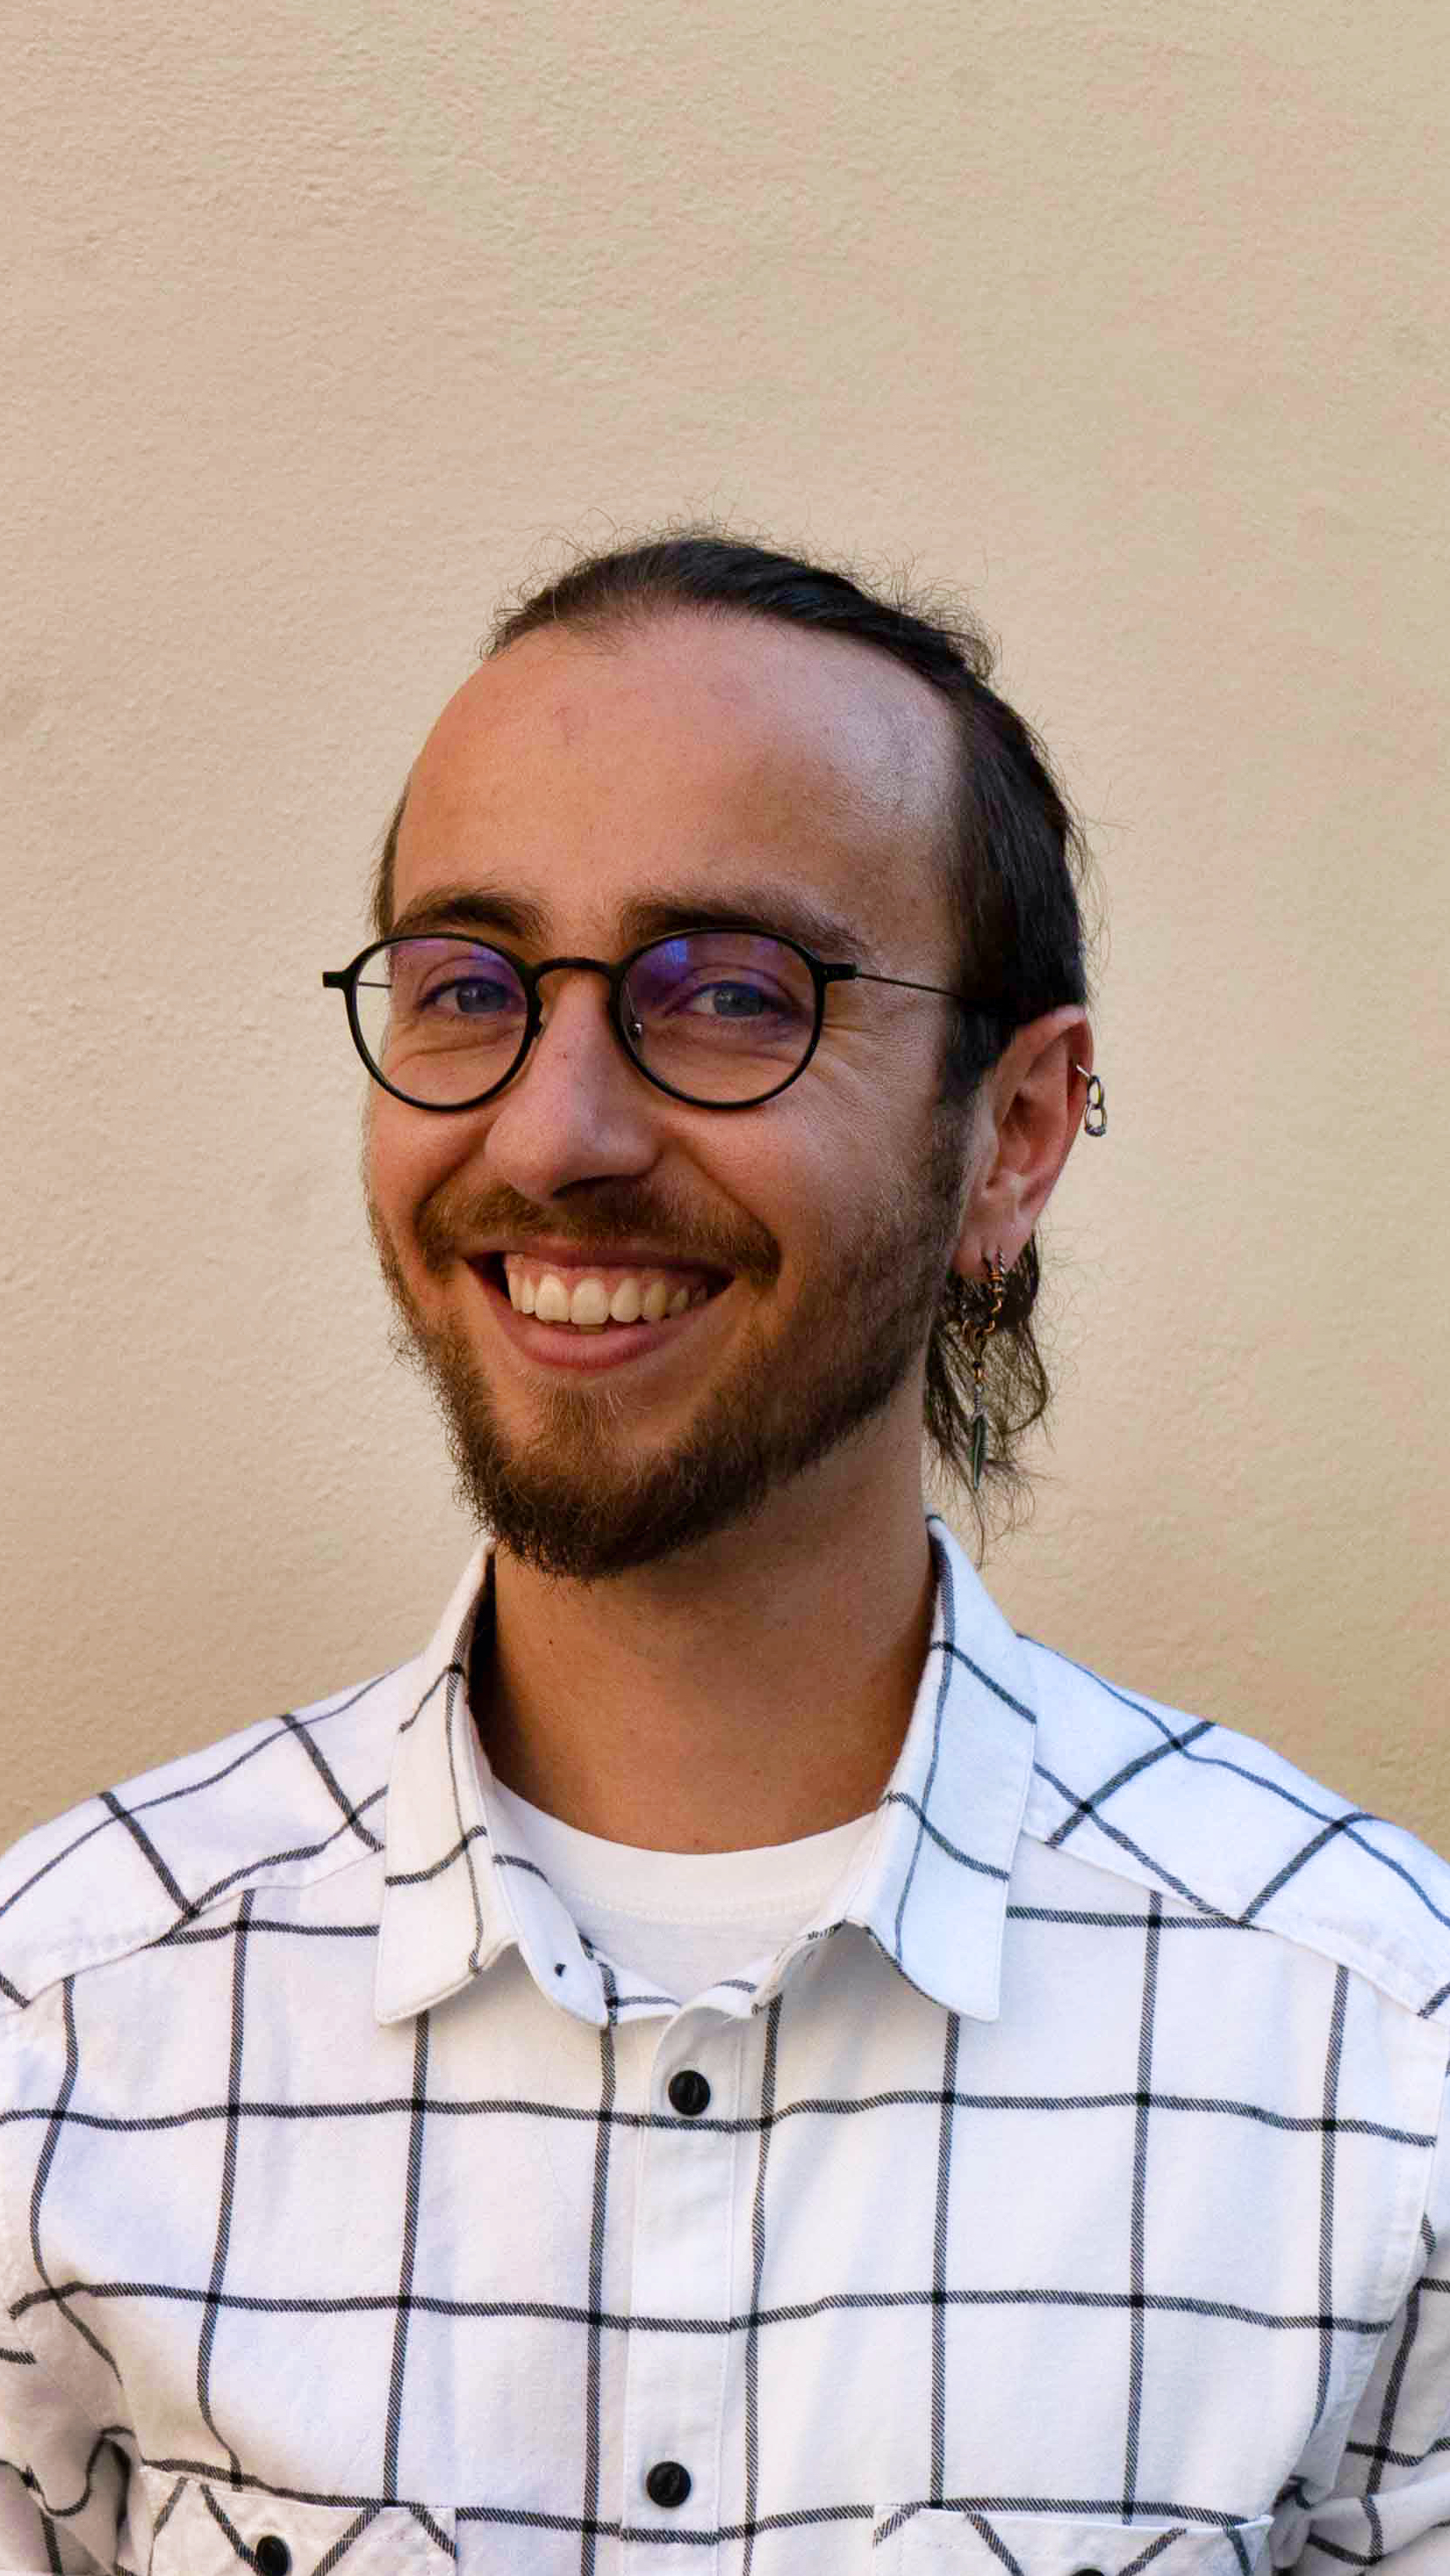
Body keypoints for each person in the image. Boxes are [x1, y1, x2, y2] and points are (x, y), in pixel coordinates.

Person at [2, 532, 1446, 2576]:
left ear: (1015, 1134)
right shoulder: (62, 2036)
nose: (551, 1133)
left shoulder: (1373, 2062)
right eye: (468, 988)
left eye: (732, 995)